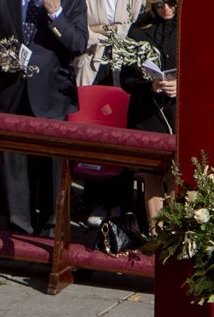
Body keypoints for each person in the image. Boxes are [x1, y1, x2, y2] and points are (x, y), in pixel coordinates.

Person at [0, 0, 87, 236]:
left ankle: (51, 234)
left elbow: (78, 44)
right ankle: (19, 234)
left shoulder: (71, 1)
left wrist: (56, 13)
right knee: (14, 169)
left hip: (51, 95)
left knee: (52, 170)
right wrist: (1, 58)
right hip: (10, 95)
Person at [120, 0, 179, 225]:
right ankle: (156, 234)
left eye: (171, 3)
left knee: (175, 176)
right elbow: (126, 79)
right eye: (159, 4)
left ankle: (175, 233)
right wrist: (150, 86)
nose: (166, 9)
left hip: (176, 114)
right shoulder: (138, 30)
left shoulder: (187, 29)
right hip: (148, 113)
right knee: (152, 175)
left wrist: (180, 86)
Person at [77, 0, 142, 86]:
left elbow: (131, 28)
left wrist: (96, 29)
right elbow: (78, 31)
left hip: (120, 63)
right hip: (89, 60)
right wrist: (104, 30)